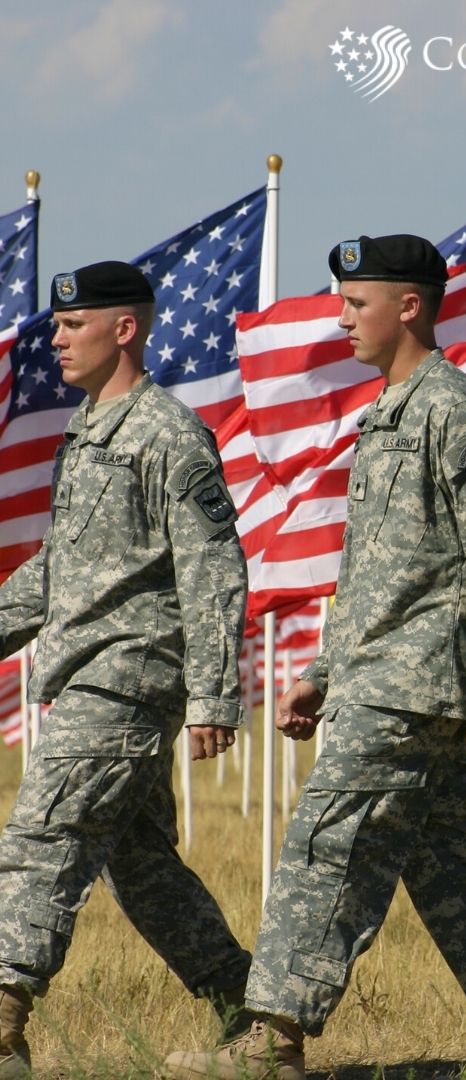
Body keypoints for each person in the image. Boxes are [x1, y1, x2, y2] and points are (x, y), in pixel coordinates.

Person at [164, 234, 466, 1080]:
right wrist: (323, 672)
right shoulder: (390, 411)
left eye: (357, 304)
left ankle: (271, 1036)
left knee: (325, 844)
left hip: (417, 682)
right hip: (379, 675)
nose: (342, 318)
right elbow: (380, 571)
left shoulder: (449, 409)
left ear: (411, 307)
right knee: (444, 859)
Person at [0, 262, 253, 1076]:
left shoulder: (167, 433)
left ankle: (1, 1015)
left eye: (75, 326)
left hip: (126, 677)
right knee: (142, 870)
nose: (59, 339)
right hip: (84, 674)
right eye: (57, 327)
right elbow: (57, 572)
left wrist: (216, 692)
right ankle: (254, 1017)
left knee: (45, 837)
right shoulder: (86, 433)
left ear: (126, 329)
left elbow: (214, 567)